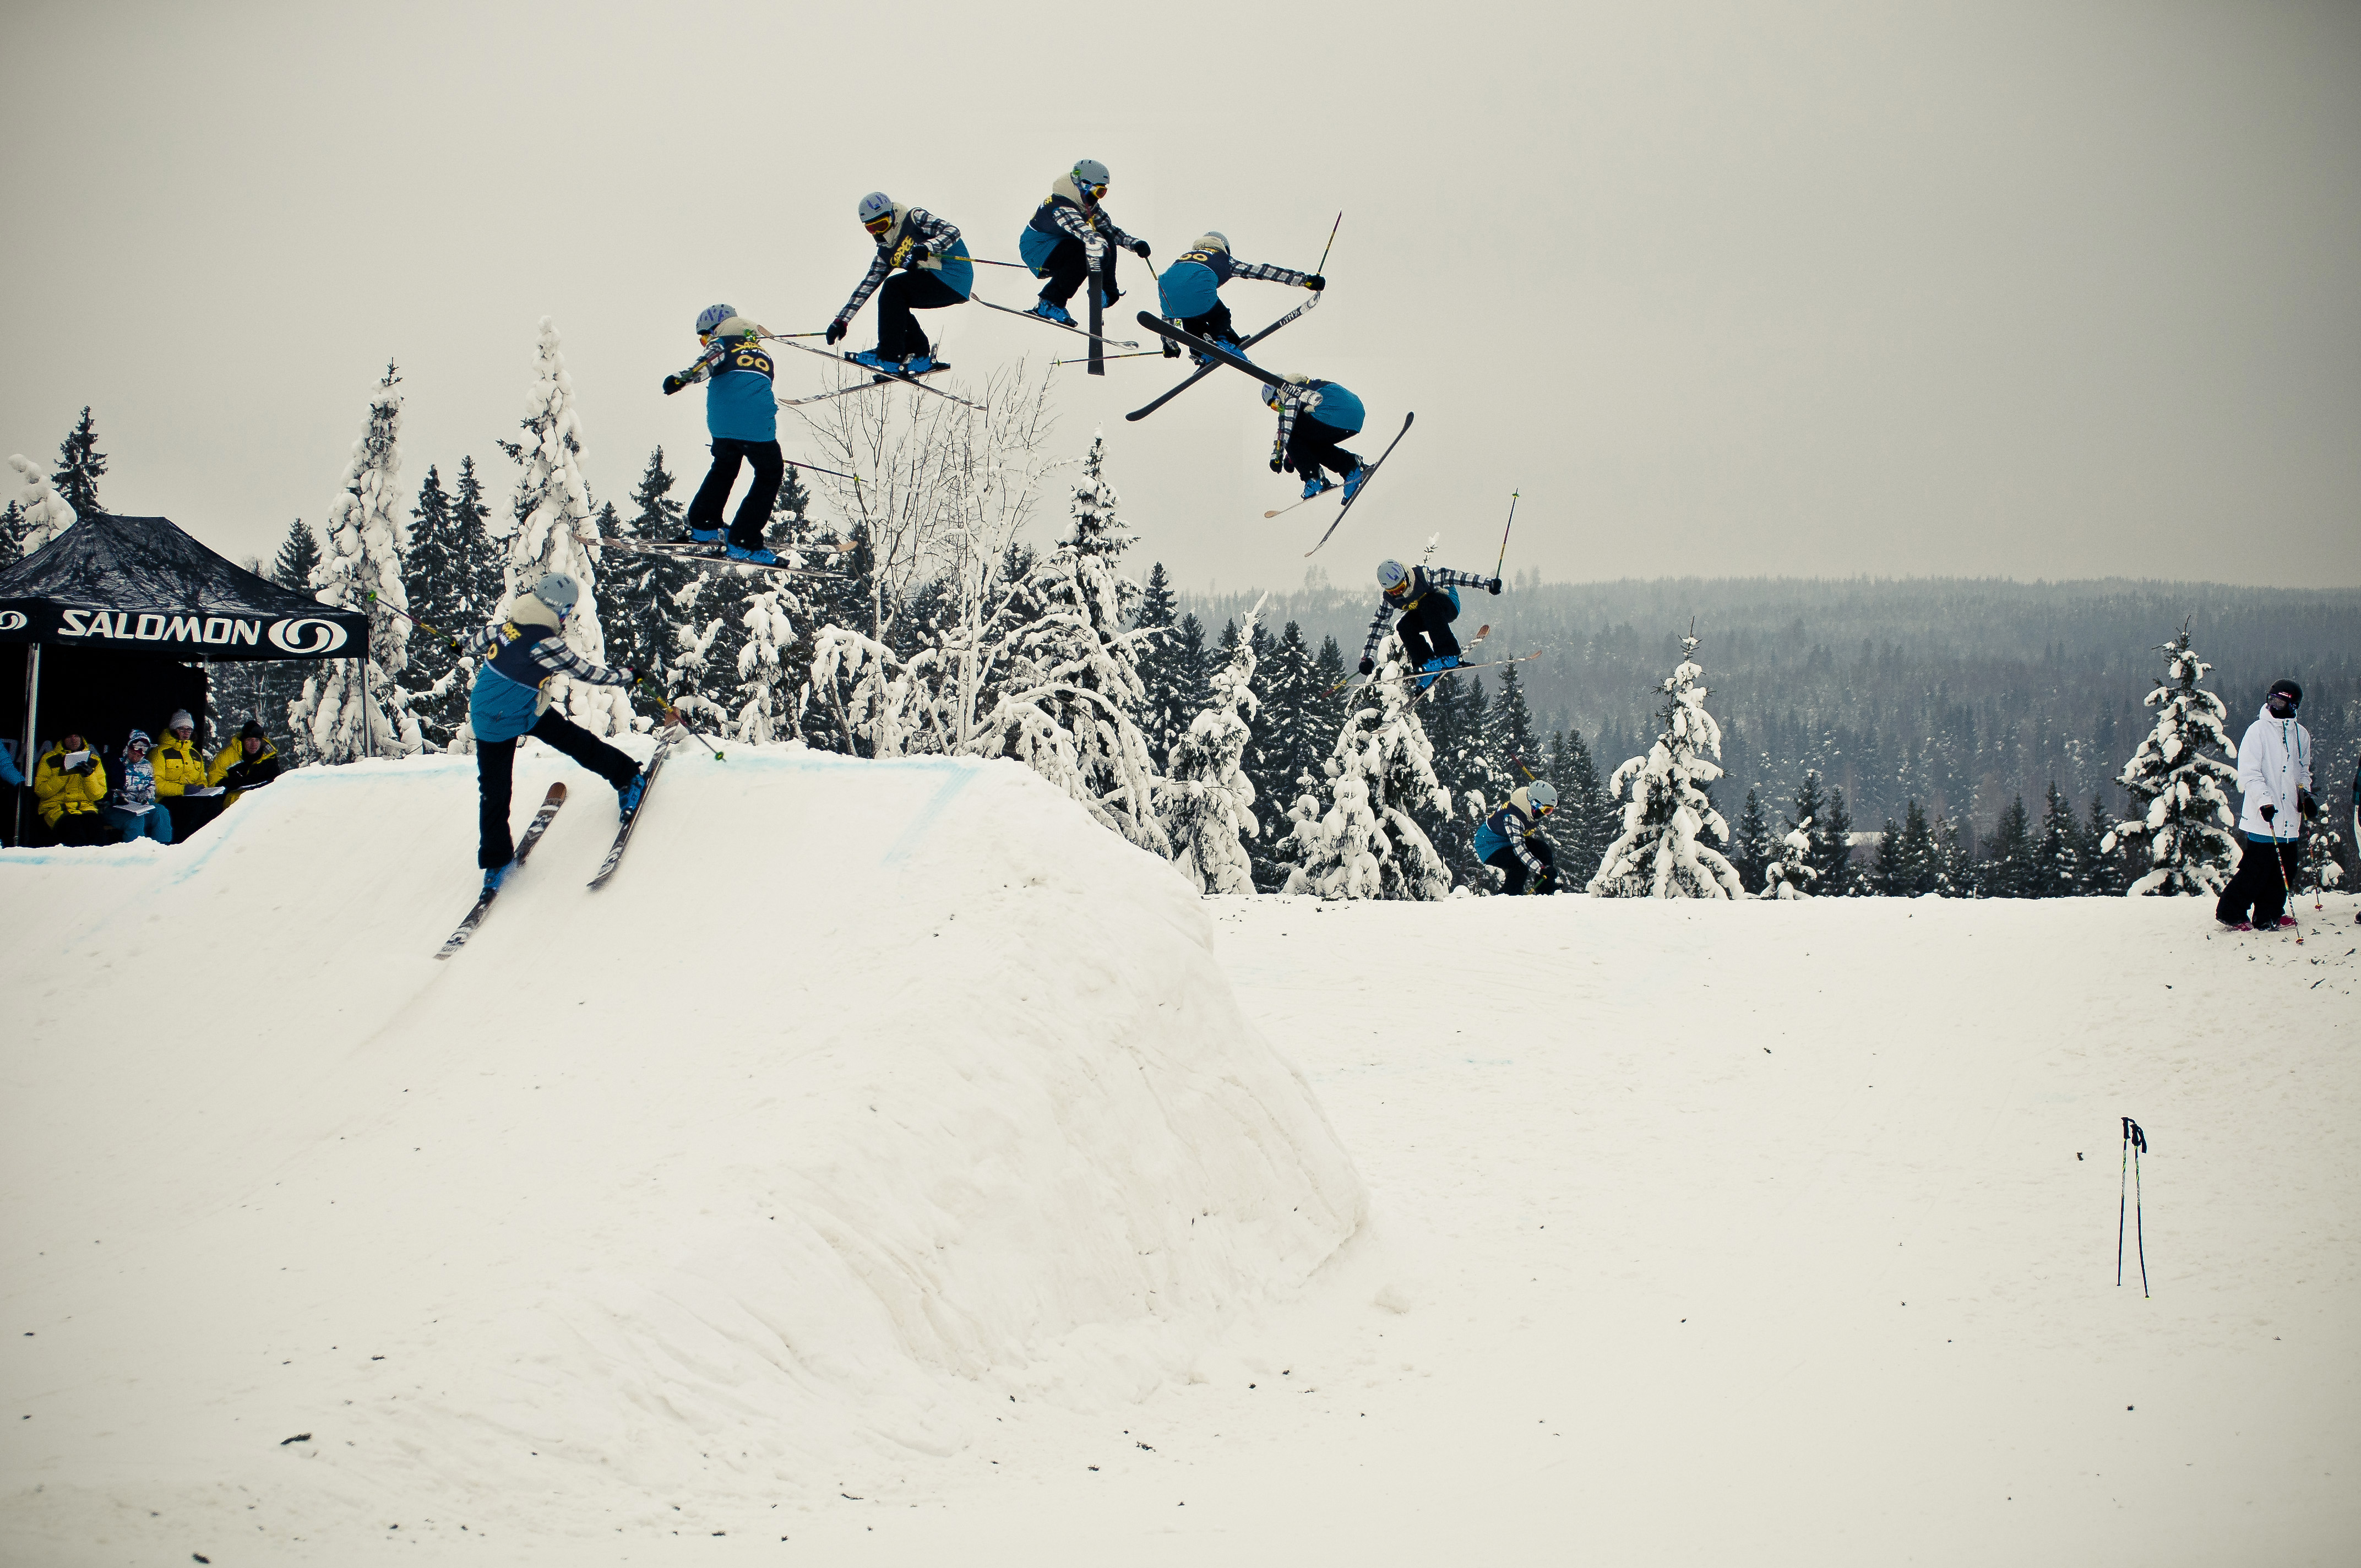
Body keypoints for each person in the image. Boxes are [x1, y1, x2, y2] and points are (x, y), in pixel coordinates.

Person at [468, 571, 649, 892]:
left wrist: (461, 645)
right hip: (503, 719)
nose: (567, 618)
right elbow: (588, 673)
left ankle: (496, 860)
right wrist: (628, 675)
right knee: (575, 744)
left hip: (500, 714)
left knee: (494, 792)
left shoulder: (508, 626)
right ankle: (627, 777)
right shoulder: (544, 643)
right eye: (567, 611)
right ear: (558, 609)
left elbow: (477, 641)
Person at [661, 304, 787, 566]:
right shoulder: (760, 351)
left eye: (705, 336)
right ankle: (743, 539)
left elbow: (705, 363)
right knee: (770, 472)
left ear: (719, 328)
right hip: (755, 423)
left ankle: (704, 524)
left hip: (721, 424)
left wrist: (680, 379)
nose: (705, 342)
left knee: (725, 465)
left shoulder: (723, 342)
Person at [824, 192, 972, 374]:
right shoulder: (886, 252)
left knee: (893, 288)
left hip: (952, 275)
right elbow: (866, 286)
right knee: (895, 303)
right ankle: (918, 355)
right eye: (872, 228)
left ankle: (889, 355)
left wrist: (928, 247)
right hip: (939, 283)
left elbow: (952, 231)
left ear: (892, 215)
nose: (879, 232)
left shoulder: (914, 218)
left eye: (882, 224)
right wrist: (842, 320)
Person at [2216, 678, 2315, 931]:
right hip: (2265, 816)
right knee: (2257, 869)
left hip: (2290, 817)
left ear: (2293, 706)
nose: (2273, 705)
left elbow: (2303, 772)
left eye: (2280, 701)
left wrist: (2306, 797)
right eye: (2271, 699)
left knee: (2285, 867)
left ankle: (2268, 914)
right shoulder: (2257, 731)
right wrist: (2264, 801)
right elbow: (2249, 772)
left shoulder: (2301, 735)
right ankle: (2231, 911)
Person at [1017, 159, 1150, 327]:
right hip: (1038, 250)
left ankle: (1105, 293)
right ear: (1085, 185)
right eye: (1099, 192)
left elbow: (1109, 231)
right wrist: (1100, 244)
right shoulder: (1061, 205)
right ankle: (1050, 303)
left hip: (1060, 247)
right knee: (1087, 248)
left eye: (1103, 193)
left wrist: (1135, 244)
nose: (1099, 198)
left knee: (1104, 239)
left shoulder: (1085, 204)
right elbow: (1081, 230)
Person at [1156, 233, 1323, 361]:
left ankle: (1202, 351)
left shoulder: (1180, 261)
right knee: (1220, 315)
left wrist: (1170, 344)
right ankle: (1223, 340)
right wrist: (1306, 281)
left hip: (1167, 295)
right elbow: (1262, 271)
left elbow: (1170, 303)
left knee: (1189, 317)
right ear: (1224, 247)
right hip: (1201, 298)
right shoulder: (1223, 259)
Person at [1357, 559, 1500, 690]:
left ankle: (1449, 654)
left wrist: (1489, 584)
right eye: (1394, 591)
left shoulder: (1424, 577)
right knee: (1404, 626)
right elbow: (1378, 625)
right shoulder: (1389, 599)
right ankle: (1426, 664)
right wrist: (1367, 658)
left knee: (1427, 604)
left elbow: (1457, 576)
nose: (1400, 593)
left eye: (1401, 587)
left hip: (1447, 605)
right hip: (1427, 615)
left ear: (1406, 576)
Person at [1265, 374, 1370, 502]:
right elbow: (1305, 436)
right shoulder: (1306, 385)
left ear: (1277, 393)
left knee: (1292, 431)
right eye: (1275, 408)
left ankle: (1313, 478)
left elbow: (1286, 427)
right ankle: (1351, 468)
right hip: (1353, 416)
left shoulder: (1288, 389)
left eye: (1276, 404)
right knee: (1312, 444)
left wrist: (1277, 456)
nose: (1279, 409)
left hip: (1334, 412)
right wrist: (1294, 456)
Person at [1475, 781, 1559, 895]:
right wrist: (1541, 869)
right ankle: (1510, 898)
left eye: (1550, 811)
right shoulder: (1513, 817)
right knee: (1519, 867)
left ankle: (1546, 890)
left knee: (1543, 849)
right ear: (1535, 804)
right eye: (1546, 810)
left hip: (1506, 840)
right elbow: (1519, 849)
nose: (1546, 814)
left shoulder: (1528, 804)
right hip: (1489, 846)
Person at [153, 708, 226, 837]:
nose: (186, 732)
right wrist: (182, 790)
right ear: (173, 730)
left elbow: (201, 779)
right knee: (193, 807)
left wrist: (202, 787)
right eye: (182, 729)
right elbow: (156, 784)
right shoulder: (160, 753)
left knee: (215, 804)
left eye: (189, 729)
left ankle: (206, 839)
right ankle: (183, 841)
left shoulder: (195, 754)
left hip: (191, 797)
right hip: (166, 799)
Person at [34, 729, 112, 846]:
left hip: (86, 807)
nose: (74, 740)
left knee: (98, 835)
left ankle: (97, 863)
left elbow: (98, 795)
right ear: (63, 740)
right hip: (57, 808)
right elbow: (41, 791)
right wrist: (63, 774)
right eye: (69, 737)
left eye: (76, 736)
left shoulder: (94, 760)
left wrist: (88, 776)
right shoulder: (49, 759)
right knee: (74, 833)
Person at [99, 729, 173, 844]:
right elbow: (106, 787)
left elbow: (151, 786)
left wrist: (145, 797)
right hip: (116, 807)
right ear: (129, 745)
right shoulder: (115, 762)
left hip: (139, 805)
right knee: (136, 820)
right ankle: (136, 854)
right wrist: (117, 798)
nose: (139, 752)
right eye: (137, 747)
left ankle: (162, 848)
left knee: (161, 812)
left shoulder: (146, 765)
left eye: (144, 749)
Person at [208, 720, 283, 805]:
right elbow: (214, 783)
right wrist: (236, 783)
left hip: (263, 797)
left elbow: (277, 781)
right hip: (234, 801)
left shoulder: (269, 756)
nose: (254, 744)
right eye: (250, 740)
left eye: (257, 740)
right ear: (243, 741)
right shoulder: (226, 756)